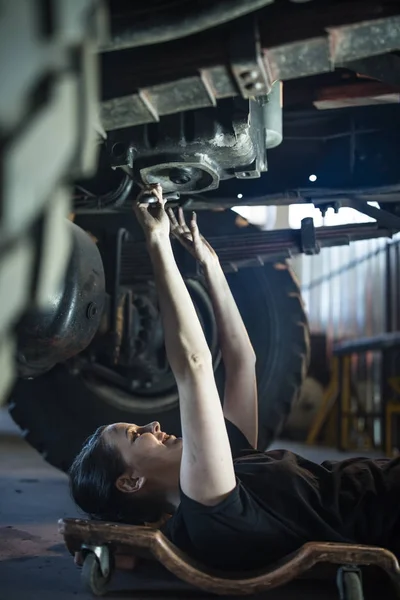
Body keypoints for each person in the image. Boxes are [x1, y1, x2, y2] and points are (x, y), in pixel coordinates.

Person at [70, 184, 400, 572]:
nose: (153, 424)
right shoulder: (208, 511)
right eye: (134, 434)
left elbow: (243, 361)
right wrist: (157, 243)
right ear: (130, 482)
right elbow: (195, 365)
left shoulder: (226, 469)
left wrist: (211, 265)